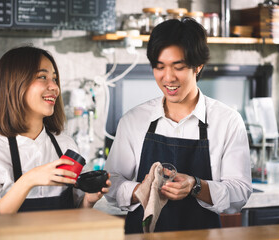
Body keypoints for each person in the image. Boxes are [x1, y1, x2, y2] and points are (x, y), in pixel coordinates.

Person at [104, 18, 252, 233]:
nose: (168, 77)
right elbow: (112, 184)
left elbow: (240, 192)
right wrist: (142, 190)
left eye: (179, 67)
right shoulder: (134, 120)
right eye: (159, 67)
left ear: (198, 66)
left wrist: (196, 185)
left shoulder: (227, 121)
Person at [0, 46, 110, 214]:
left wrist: (88, 200)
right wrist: (29, 180)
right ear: (15, 84)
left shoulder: (65, 145)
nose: (54, 87)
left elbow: (75, 214)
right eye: (42, 77)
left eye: (54, 79)